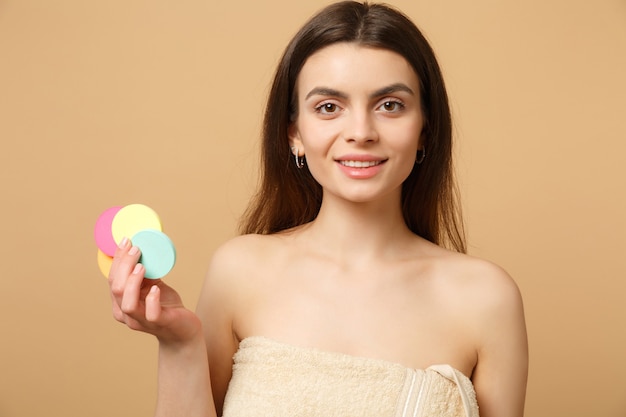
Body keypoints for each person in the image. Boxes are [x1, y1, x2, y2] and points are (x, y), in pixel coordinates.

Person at [108, 1, 528, 416]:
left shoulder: (486, 299)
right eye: (329, 107)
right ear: (294, 134)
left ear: (424, 131)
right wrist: (180, 344)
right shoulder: (240, 271)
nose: (360, 133)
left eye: (390, 105)